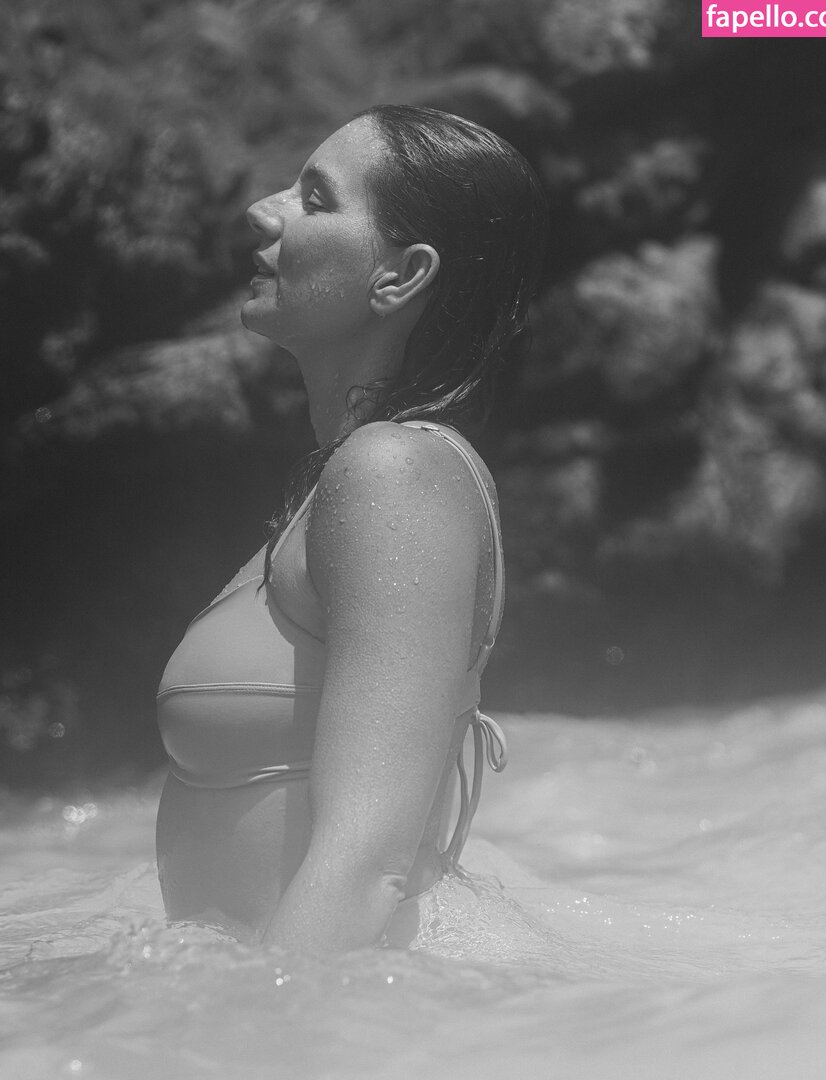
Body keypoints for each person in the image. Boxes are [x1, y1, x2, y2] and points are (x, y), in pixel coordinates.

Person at [155, 104, 547, 954]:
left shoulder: (394, 474)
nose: (263, 212)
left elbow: (369, 868)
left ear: (400, 276)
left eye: (315, 198)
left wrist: (268, 1026)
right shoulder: (340, 484)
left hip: (331, 1007)